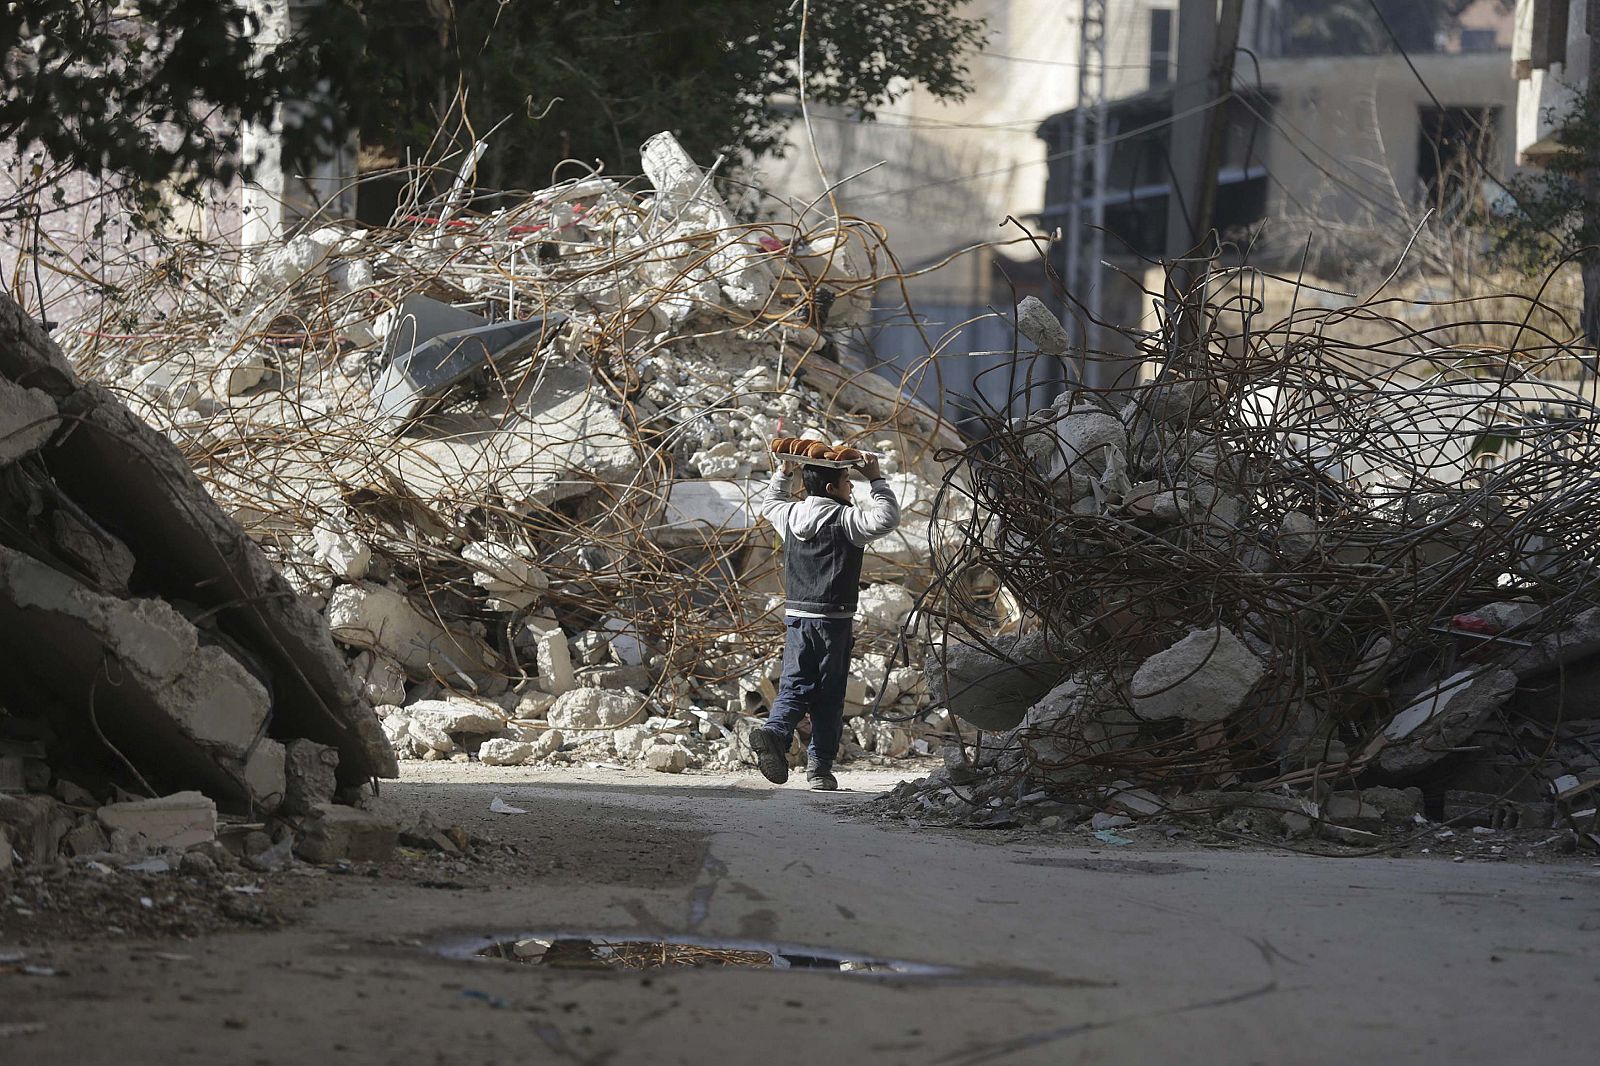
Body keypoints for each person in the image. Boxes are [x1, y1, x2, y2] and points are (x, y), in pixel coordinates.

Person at [750, 452, 901, 789]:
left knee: (794, 683)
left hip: (798, 619)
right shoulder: (847, 520)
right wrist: (876, 478)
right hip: (834, 621)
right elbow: (888, 518)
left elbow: (770, 502)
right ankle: (819, 768)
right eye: (848, 483)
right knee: (829, 693)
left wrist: (783, 473)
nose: (851, 489)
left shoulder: (791, 515)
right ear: (833, 488)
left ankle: (775, 732)